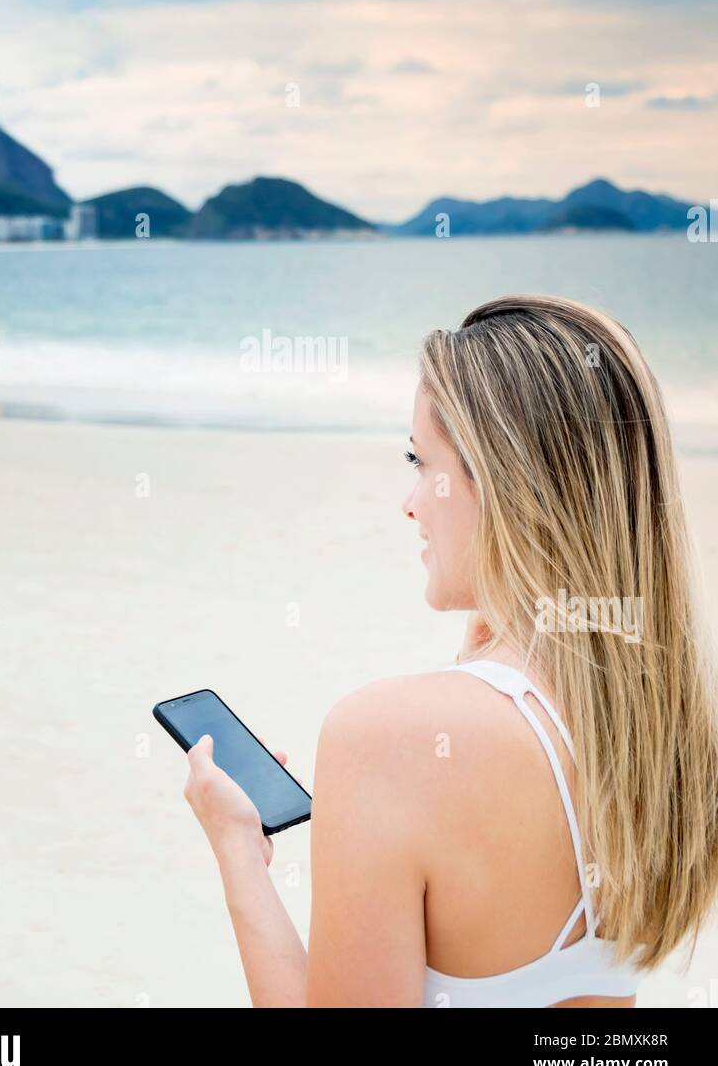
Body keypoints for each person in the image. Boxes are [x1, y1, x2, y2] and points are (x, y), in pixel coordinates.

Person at [179, 294, 718, 1007]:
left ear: (506, 483)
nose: (410, 503)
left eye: (420, 461)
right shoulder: (651, 723)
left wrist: (238, 853)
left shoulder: (387, 735)